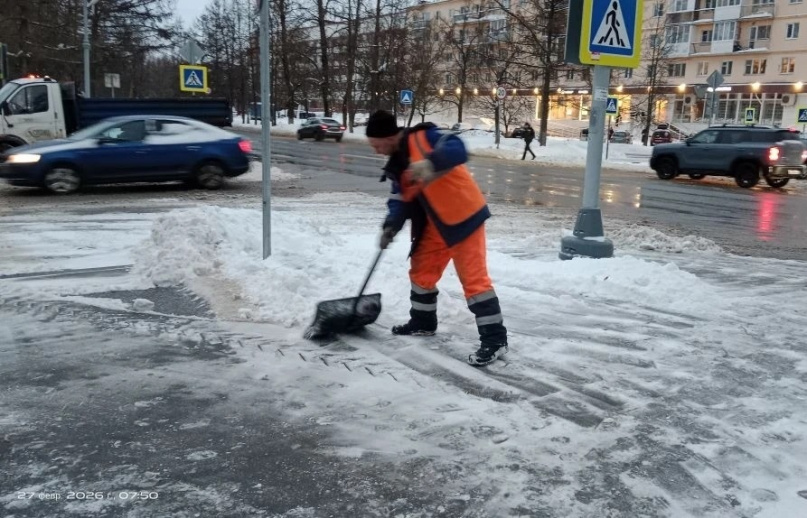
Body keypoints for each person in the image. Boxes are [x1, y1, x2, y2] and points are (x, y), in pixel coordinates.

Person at [365, 110, 508, 366]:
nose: (376, 151)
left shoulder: (424, 137)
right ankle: (423, 322)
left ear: (388, 137)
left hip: (464, 216)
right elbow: (399, 200)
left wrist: (431, 162)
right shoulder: (397, 164)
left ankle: (495, 340)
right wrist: (389, 228)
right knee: (421, 273)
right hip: (434, 223)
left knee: (474, 282)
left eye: (377, 145)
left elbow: (458, 148)